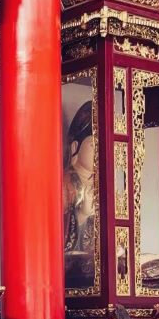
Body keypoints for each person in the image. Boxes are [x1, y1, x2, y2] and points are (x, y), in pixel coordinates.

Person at [63, 99, 97, 290]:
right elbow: (55, 239)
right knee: (88, 266)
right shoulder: (64, 182)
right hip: (73, 258)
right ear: (75, 147)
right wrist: (83, 216)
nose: (100, 152)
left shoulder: (104, 185)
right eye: (93, 145)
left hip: (103, 258)